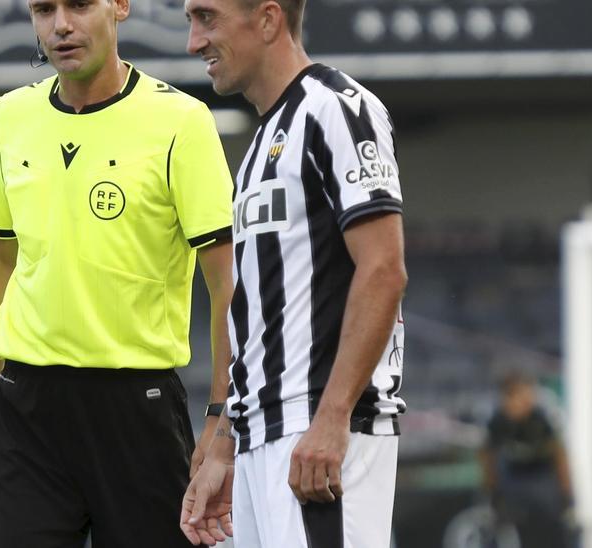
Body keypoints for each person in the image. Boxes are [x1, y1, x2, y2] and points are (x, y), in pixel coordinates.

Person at [0, 0, 236, 546]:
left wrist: (219, 421)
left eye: (80, 5)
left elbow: (227, 284)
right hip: (24, 406)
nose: (61, 25)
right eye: (44, 9)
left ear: (120, 7)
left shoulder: (181, 121)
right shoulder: (11, 115)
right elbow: (0, 259)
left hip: (138, 410)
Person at [180, 1, 408, 546]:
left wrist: (332, 418)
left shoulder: (338, 109)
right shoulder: (260, 145)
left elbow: (383, 269)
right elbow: (253, 313)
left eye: (207, 18)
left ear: (268, 19)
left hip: (319, 431)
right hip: (262, 436)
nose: (194, 41)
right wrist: (226, 445)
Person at [479, 372, 575, 548]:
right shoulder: (497, 422)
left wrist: (566, 493)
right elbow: (487, 458)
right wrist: (491, 491)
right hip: (513, 477)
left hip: (542, 477)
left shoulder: (542, 419)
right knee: (501, 524)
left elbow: (559, 455)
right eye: (522, 396)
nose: (528, 400)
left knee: (552, 525)